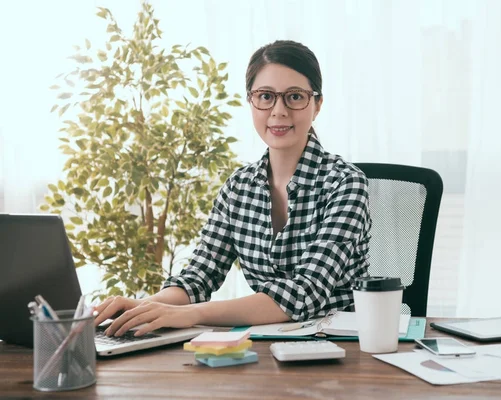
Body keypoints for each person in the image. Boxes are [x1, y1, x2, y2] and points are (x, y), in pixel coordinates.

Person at [94, 40, 372, 337]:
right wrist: (142, 308)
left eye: (294, 97)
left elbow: (304, 293)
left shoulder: (346, 183)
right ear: (251, 102)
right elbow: (198, 278)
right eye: (265, 96)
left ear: (317, 104)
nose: (278, 111)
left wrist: (189, 315)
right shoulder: (239, 188)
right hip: (264, 349)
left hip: (344, 352)